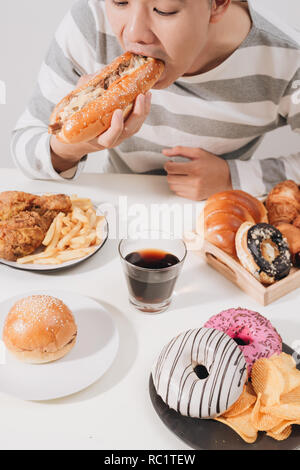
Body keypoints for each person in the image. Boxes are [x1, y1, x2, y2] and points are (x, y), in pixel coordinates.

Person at [11, 0, 300, 200]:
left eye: (164, 9)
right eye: (120, 2)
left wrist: (233, 178)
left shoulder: (287, 58)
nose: (135, 33)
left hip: (218, 212)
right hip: (117, 209)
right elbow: (23, 144)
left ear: (219, 3)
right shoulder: (91, 24)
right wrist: (71, 148)